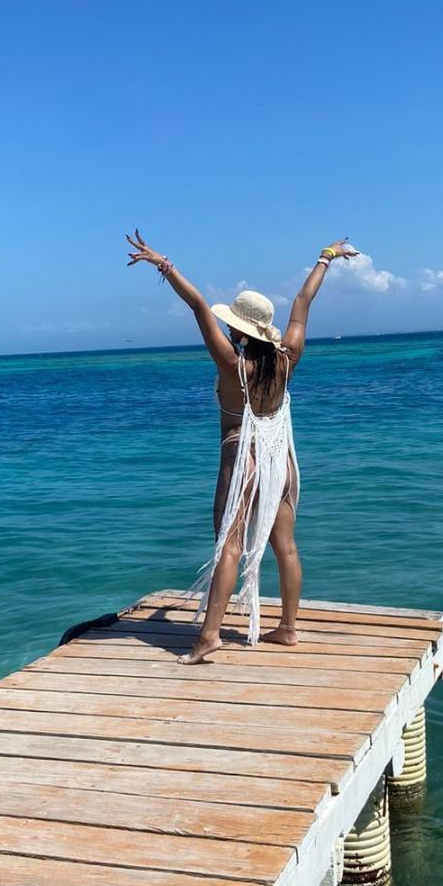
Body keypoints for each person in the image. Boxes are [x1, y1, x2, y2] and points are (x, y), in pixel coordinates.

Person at [126, 230, 359, 663]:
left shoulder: (231, 363)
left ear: (237, 328)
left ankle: (209, 636)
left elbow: (198, 305)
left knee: (228, 546)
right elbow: (303, 302)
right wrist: (327, 256)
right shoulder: (289, 356)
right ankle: (288, 628)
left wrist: (163, 264)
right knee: (285, 546)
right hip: (280, 459)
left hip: (241, 457)